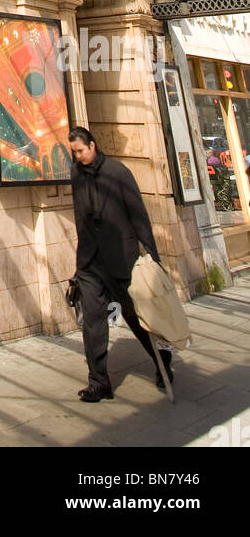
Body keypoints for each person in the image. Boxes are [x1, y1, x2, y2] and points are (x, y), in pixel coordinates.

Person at [68, 126, 172, 401]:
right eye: (74, 152)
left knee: (135, 315)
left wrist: (152, 255)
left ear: (92, 145)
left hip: (120, 258)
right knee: (92, 321)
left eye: (80, 151)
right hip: (90, 261)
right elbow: (81, 218)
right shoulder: (76, 174)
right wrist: (80, 262)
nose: (77, 156)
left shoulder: (118, 173)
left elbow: (138, 216)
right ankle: (99, 382)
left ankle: (162, 359)